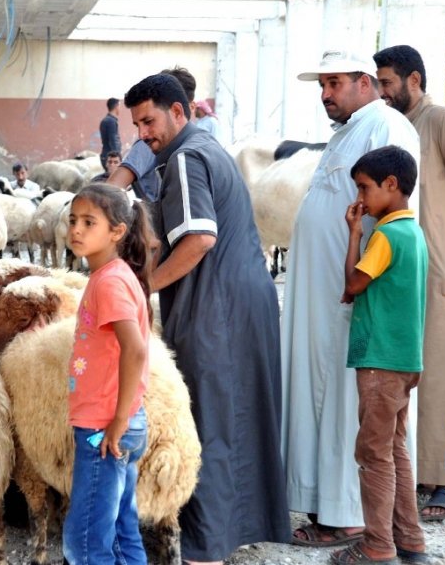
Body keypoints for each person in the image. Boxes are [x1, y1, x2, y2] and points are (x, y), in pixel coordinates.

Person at [124, 73, 290, 564]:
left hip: (218, 305)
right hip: (242, 300)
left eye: (149, 121)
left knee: (210, 423)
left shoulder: (187, 157)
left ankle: (206, 548)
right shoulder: (206, 149)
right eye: (136, 125)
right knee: (239, 416)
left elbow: (199, 238)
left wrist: (142, 287)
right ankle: (234, 528)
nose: (144, 134)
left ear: (180, 111)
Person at [283, 49, 420, 547]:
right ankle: (328, 504)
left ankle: (348, 516)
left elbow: (392, 216)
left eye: (334, 82)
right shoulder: (349, 131)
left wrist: (364, 284)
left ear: (365, 82)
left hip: (356, 299)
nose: (325, 93)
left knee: (348, 401)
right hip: (325, 297)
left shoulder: (386, 126)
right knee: (325, 393)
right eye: (322, 84)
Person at [373, 44, 445, 520]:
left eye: (387, 82)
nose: (381, 90)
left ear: (414, 80)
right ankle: (421, 474)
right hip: (409, 274)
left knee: (443, 379)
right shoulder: (400, 126)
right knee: (413, 376)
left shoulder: (444, 122)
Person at [332, 145, 430, 565]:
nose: (359, 198)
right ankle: (410, 540)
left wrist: (354, 234)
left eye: (364, 188)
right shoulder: (414, 232)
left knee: (373, 454)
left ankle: (377, 546)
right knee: (394, 448)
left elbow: (353, 285)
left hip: (380, 362)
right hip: (405, 361)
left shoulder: (386, 235)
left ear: (392, 186)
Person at [62, 183, 154, 564]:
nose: (76, 230)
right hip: (118, 421)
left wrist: (117, 420)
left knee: (84, 540)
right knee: (119, 527)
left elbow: (134, 349)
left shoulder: (111, 282)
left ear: (117, 231)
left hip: (105, 427)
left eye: (88, 222)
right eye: (72, 221)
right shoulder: (112, 275)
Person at [109, 66, 200, 202]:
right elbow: (111, 188)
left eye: (148, 121)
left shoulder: (193, 149)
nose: (142, 134)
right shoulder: (149, 144)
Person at [99, 97, 122, 169]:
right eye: (119, 106)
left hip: (106, 156)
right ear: (116, 106)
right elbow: (113, 141)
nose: (120, 109)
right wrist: (117, 158)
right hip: (111, 159)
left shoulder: (105, 120)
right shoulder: (111, 121)